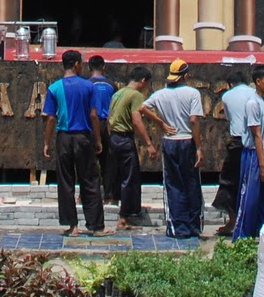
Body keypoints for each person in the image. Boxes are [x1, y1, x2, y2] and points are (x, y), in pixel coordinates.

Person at [139, 57, 205, 239]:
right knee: (192, 183)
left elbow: (142, 108)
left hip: (170, 141)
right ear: (186, 75)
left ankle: (178, 227)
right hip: (187, 140)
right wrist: (199, 147)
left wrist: (161, 123)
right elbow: (194, 120)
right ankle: (194, 226)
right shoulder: (193, 93)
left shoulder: (160, 94)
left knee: (174, 184)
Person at [42, 49, 105, 236]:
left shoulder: (54, 88)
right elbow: (93, 115)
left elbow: (50, 118)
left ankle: (72, 226)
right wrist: (98, 139)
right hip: (83, 137)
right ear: (77, 64)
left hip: (64, 138)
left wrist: (47, 142)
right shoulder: (89, 87)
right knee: (90, 180)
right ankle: (96, 226)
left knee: (65, 182)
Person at [233, 66, 264, 238]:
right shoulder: (253, 104)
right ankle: (242, 238)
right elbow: (257, 135)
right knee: (250, 199)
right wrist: (261, 165)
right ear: (258, 82)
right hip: (254, 156)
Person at [108, 65, 156, 229]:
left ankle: (120, 207)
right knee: (130, 178)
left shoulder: (118, 93)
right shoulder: (136, 95)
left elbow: (109, 117)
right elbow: (136, 120)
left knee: (119, 176)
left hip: (114, 137)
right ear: (143, 81)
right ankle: (124, 218)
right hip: (124, 138)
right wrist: (148, 143)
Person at [214, 66, 257, 234]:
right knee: (251, 182)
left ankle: (232, 221)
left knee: (229, 182)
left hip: (237, 143)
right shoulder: (255, 94)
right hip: (256, 141)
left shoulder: (226, 96)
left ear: (230, 84)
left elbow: (230, 119)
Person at [87, 55, 115, 195]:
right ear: (104, 67)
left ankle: (87, 194)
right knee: (108, 162)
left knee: (89, 161)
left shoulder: (87, 85)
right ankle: (108, 194)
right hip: (108, 124)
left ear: (89, 68)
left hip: (91, 123)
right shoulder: (112, 85)